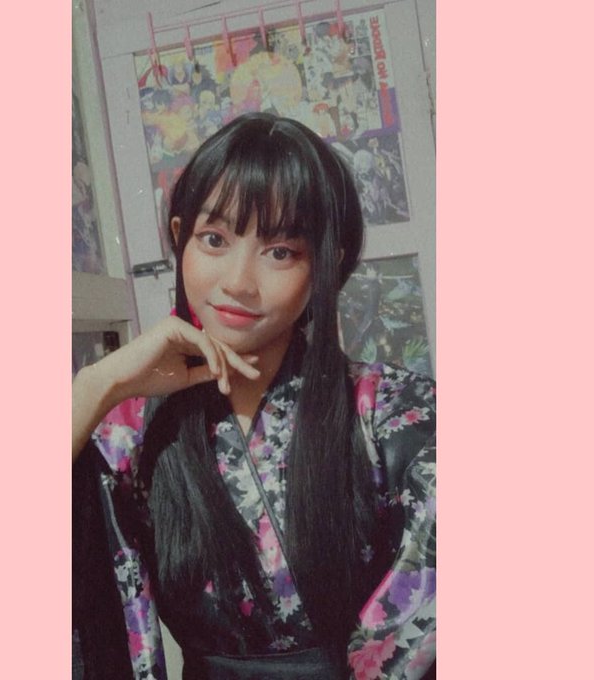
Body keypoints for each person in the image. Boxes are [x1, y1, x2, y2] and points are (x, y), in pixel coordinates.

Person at [72, 112, 436, 680]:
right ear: (179, 238)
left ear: (328, 262)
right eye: (214, 240)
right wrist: (97, 385)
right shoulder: (130, 428)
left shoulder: (391, 411)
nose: (238, 282)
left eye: (280, 251)